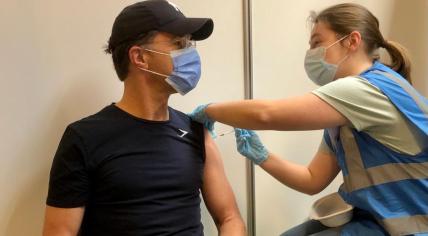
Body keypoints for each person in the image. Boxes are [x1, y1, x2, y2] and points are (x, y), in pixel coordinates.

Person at [190, 3, 428, 236]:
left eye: (317, 43)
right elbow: (313, 179)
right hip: (377, 221)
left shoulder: (367, 90)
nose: (310, 54)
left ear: (352, 41)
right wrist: (260, 155)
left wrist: (210, 110)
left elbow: (266, 114)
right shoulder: (344, 113)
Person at [42, 1, 246, 235]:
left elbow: (230, 217)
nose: (190, 52)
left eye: (189, 43)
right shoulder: (84, 138)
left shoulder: (197, 132)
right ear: (140, 57)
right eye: (179, 43)